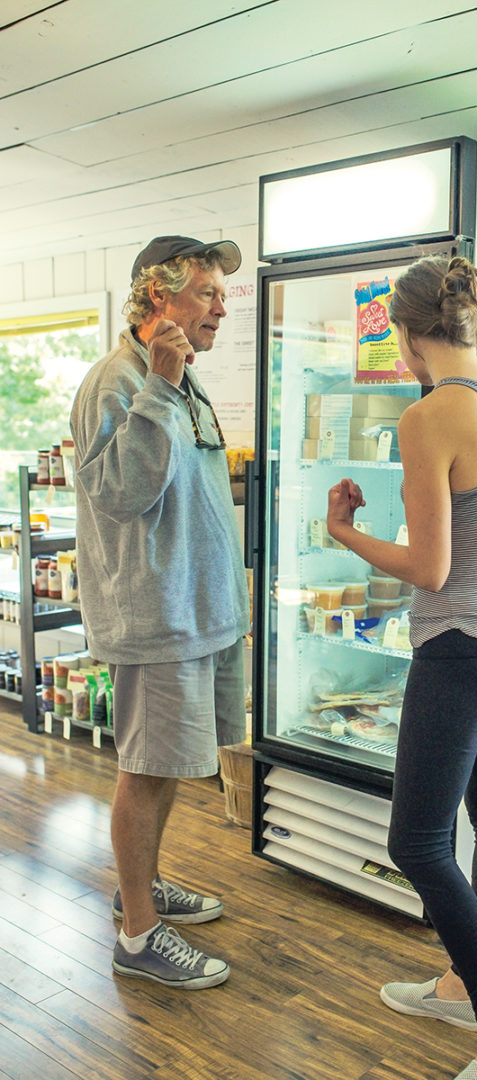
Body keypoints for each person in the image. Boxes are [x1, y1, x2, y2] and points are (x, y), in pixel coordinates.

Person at [326, 255, 477, 1080]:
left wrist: (343, 532)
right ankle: (460, 986)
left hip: (460, 651)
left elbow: (429, 569)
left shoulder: (431, 414)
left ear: (406, 334)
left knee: (417, 843)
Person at [70, 235, 251, 990]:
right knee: (145, 770)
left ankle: (139, 885)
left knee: (169, 763)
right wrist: (160, 386)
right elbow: (119, 494)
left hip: (201, 612)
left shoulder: (178, 377)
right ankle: (139, 935)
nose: (221, 309)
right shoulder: (118, 380)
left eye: (221, 295)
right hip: (158, 618)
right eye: (207, 293)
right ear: (158, 295)